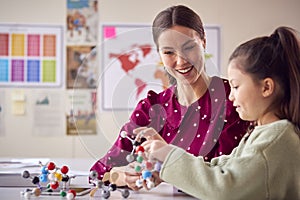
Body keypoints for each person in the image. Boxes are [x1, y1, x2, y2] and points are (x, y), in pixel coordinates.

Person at [90, 5, 249, 190]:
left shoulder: (234, 98)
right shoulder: (151, 108)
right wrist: (123, 178)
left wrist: (167, 167)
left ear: (203, 42)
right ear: (159, 54)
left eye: (189, 47)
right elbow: (99, 172)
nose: (181, 61)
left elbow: (233, 178)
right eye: (169, 52)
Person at [136, 26, 300, 199]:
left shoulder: (275, 139)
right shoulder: (265, 133)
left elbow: (225, 189)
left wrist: (169, 155)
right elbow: (220, 168)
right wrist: (165, 168)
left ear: (266, 87)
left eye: (236, 86)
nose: (230, 96)